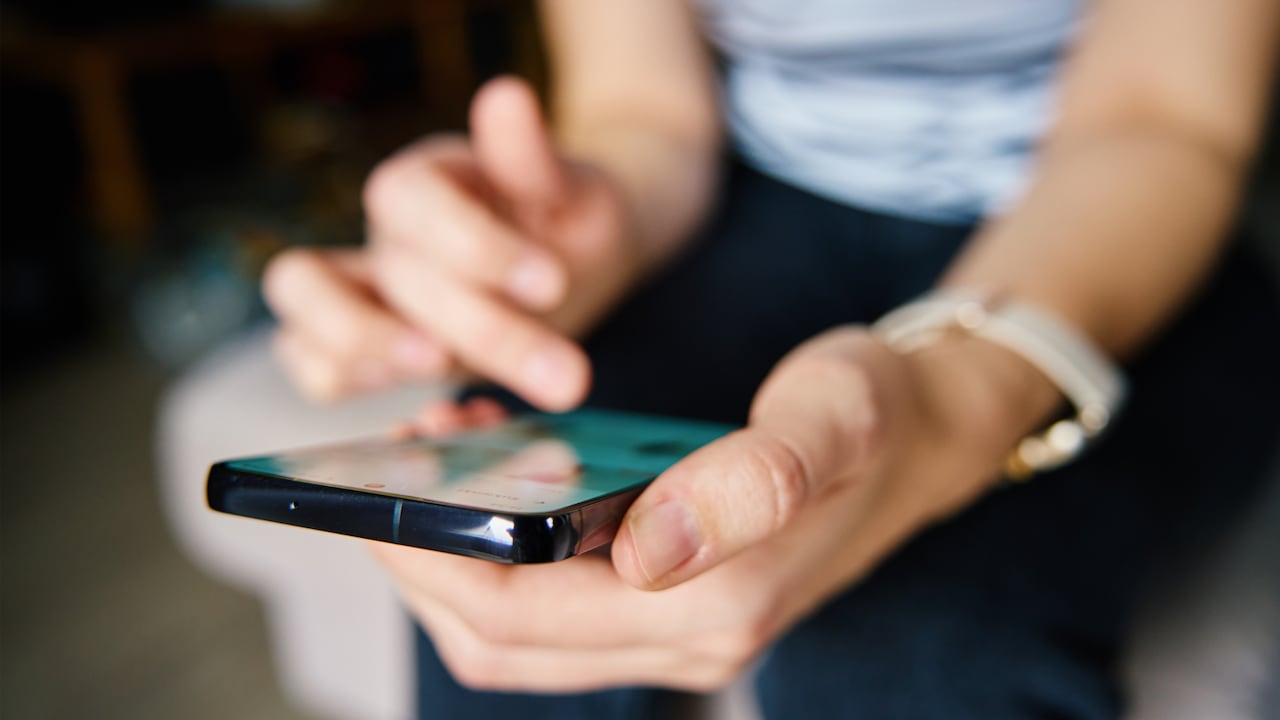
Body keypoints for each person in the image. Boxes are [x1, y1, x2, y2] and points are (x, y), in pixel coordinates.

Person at [260, 1, 1280, 717]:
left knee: (921, 650)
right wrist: (558, 243)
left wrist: (955, 396)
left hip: (1118, 222)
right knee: (502, 524)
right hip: (756, 198)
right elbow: (642, 108)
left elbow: (1162, 121)